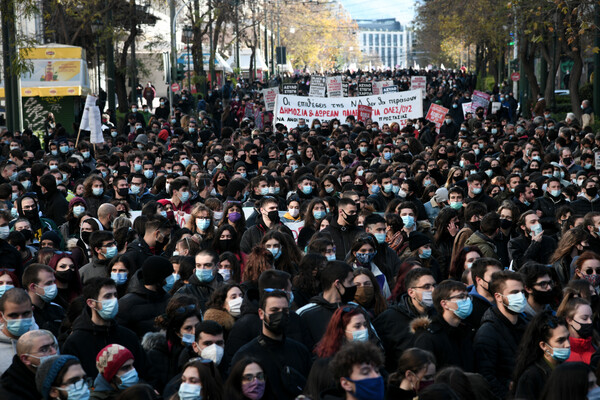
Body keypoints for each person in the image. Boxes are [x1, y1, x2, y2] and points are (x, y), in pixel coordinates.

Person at [230, 289, 311, 400]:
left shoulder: (300, 351)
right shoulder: (245, 354)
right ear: (261, 314)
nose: (280, 315)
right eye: (274, 310)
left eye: (285, 311)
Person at [61, 277, 148, 379]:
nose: (114, 300)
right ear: (91, 303)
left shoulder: (128, 336)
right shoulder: (75, 342)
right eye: (107, 296)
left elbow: (145, 370)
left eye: (115, 295)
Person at [473, 270, 528, 398]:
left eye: (522, 292)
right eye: (514, 293)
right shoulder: (488, 332)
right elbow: (486, 376)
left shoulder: (526, 325)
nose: (521, 296)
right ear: (498, 296)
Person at [373, 268, 436, 371]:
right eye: (426, 287)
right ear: (411, 292)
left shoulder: (438, 315)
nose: (433, 290)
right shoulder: (390, 318)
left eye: (434, 285)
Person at [413, 280, 475, 371]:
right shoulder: (429, 337)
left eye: (468, 296)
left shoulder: (467, 331)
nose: (467, 300)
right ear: (444, 304)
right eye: (461, 297)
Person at [297, 261, 358, 350]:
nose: (354, 285)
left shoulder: (356, 309)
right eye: (350, 281)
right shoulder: (305, 314)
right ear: (337, 284)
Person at [512, 311, 571, 400]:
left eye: (567, 338)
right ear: (543, 345)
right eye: (560, 340)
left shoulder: (567, 369)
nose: (567, 344)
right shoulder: (530, 377)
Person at [116, 256, 173, 337]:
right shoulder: (126, 304)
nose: (172, 279)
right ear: (159, 278)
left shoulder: (168, 299)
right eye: (169, 276)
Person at [0, 329, 58, 400]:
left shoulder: (60, 371)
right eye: (44, 350)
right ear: (25, 359)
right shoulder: (10, 391)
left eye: (53, 346)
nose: (54, 352)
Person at [0, 288, 36, 374]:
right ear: (1, 316)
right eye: (13, 315)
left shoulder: (47, 340)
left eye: (26, 313)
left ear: (32, 311)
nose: (21, 319)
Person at [23, 263, 65, 337]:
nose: (54, 286)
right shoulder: (22, 313)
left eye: (54, 282)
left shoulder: (57, 309)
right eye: (48, 283)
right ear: (33, 287)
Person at [465, 258, 502, 329]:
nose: (498, 280)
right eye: (493, 276)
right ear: (479, 280)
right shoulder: (469, 306)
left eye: (500, 276)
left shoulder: (505, 299)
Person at [556, 297, 595, 364]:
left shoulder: (595, 343)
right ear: (569, 320)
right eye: (584, 318)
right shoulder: (563, 352)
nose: (590, 322)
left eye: (591, 318)